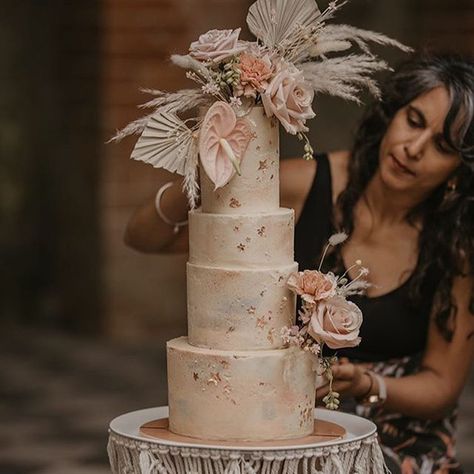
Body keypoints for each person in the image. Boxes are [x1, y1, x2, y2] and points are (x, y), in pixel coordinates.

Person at [124, 54, 474, 473]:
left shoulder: (456, 245)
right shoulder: (309, 186)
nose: (413, 149)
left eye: (441, 146)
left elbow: (442, 387)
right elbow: (143, 237)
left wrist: (368, 384)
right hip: (286, 433)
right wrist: (205, 169)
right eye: (414, 121)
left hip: (401, 440)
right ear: (393, 115)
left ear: (457, 170)